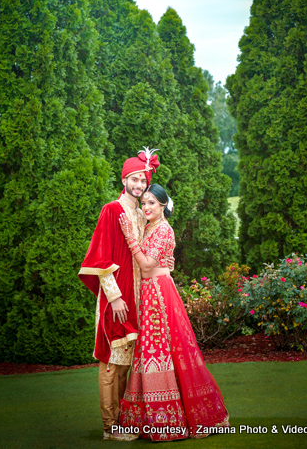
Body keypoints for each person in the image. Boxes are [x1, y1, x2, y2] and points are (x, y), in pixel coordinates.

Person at [118, 184, 229, 441]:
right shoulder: (149, 227)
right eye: (144, 203)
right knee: (151, 350)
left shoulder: (164, 230)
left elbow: (146, 266)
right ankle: (150, 419)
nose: (146, 207)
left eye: (152, 203)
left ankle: (170, 420)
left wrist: (130, 238)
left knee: (162, 350)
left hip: (158, 293)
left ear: (163, 205)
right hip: (149, 292)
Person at [78, 148, 163, 441]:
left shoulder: (141, 214)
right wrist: (114, 297)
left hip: (138, 297)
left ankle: (122, 421)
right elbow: (99, 257)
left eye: (143, 181)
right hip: (117, 297)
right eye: (134, 180)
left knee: (127, 363)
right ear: (124, 179)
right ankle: (109, 425)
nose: (139, 186)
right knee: (112, 362)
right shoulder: (111, 210)